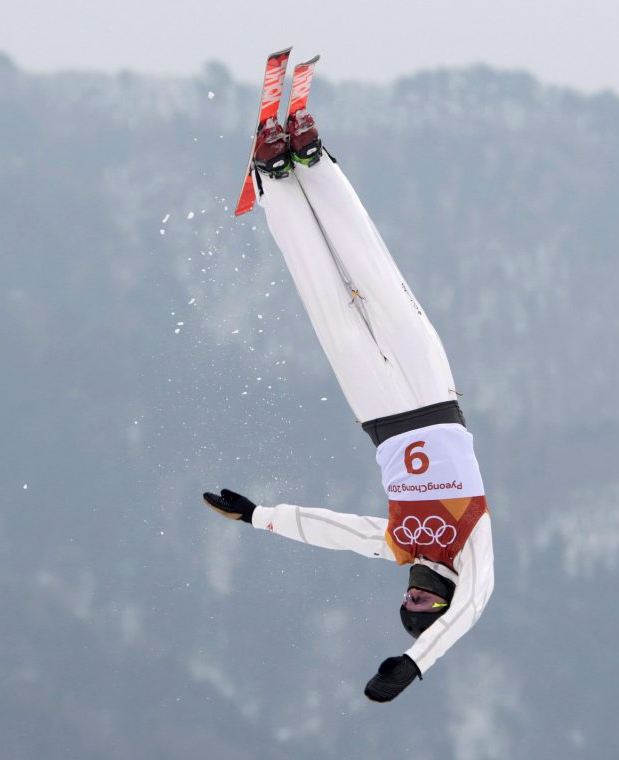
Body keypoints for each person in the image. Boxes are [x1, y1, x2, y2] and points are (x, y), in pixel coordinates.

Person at [203, 108, 495, 703]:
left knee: (327, 301)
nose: (412, 594)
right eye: (421, 602)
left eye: (405, 601)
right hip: (435, 395)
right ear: (440, 600)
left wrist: (261, 515)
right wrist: (412, 665)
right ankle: (316, 167)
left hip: (381, 414)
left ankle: (276, 182)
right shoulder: (470, 548)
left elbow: (331, 530)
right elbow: (473, 608)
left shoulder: (398, 542)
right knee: (378, 278)